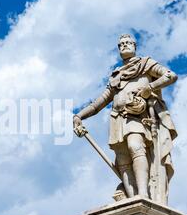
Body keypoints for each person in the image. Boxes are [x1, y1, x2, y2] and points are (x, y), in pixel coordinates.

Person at [73, 34, 177, 205]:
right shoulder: (117, 75)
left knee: (136, 147)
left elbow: (170, 76)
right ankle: (133, 197)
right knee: (123, 160)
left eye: (128, 43)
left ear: (135, 45)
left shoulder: (146, 64)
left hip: (137, 117)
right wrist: (79, 115)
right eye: (121, 44)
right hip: (117, 120)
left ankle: (143, 194)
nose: (124, 46)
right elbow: (99, 102)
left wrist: (149, 87)